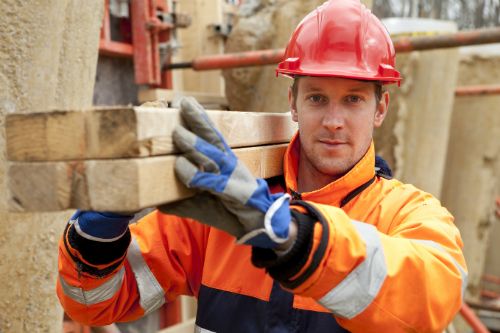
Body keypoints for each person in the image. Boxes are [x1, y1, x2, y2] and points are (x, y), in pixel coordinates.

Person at [57, 0, 467, 332]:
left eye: (354, 99)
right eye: (317, 98)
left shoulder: (409, 214)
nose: (333, 120)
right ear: (292, 103)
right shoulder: (223, 210)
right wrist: (98, 235)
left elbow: (433, 297)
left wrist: (290, 233)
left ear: (381, 107)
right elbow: (94, 304)